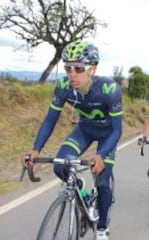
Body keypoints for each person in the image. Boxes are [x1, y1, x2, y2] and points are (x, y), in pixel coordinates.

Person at [21, 40, 122, 240]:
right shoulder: (64, 86)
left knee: (102, 180)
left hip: (108, 133)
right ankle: (81, 189)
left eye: (78, 68)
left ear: (92, 68)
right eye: (68, 68)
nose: (72, 74)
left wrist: (101, 155)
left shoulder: (110, 89)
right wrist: (36, 149)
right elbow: (50, 120)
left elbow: (118, 130)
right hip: (84, 129)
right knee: (60, 166)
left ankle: (101, 227)